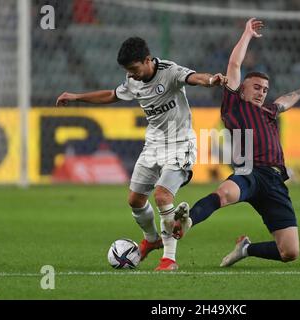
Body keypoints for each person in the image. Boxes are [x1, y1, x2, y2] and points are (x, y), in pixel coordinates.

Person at [56, 37, 226, 271]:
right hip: (153, 145)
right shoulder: (132, 80)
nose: (132, 75)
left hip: (180, 144)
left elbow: (194, 78)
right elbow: (112, 95)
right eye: (128, 71)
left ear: (148, 60)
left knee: (163, 196)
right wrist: (76, 97)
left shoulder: (170, 71)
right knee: (135, 200)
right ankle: (152, 238)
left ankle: (169, 259)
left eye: (134, 69)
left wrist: (211, 80)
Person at [172, 18, 300, 267]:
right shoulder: (235, 105)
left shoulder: (269, 112)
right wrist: (247, 35)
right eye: (256, 87)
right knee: (224, 193)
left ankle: (246, 249)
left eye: (265, 89)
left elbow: (285, 100)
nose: (261, 92)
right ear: (242, 89)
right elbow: (234, 63)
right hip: (249, 172)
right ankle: (187, 221)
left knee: (290, 252)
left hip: (274, 180)